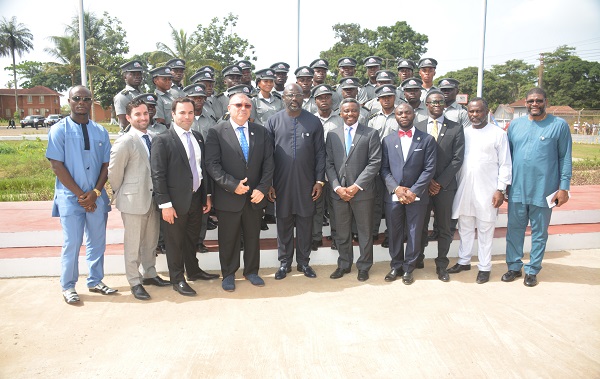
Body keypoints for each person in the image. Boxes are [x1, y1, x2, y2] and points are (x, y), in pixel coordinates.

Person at [46, 85, 117, 304]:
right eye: (77, 98)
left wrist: (95, 193)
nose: (81, 102)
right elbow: (57, 165)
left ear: (90, 102)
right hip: (71, 198)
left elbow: (107, 165)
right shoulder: (59, 130)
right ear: (69, 101)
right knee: (72, 243)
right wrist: (81, 195)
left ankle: (95, 280)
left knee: (97, 241)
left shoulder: (100, 131)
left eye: (86, 99)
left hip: (96, 198)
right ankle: (68, 286)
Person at [503, 87, 572, 287]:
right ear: (525, 103)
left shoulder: (559, 125)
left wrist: (564, 187)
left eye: (539, 100)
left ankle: (533, 270)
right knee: (514, 230)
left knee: (539, 232)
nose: (535, 104)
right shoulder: (515, 125)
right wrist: (504, 185)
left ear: (546, 102)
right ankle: (514, 267)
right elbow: (506, 158)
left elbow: (564, 158)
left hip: (545, 190)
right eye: (531, 101)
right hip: (517, 189)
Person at [205, 93, 274, 292]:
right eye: (238, 105)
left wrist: (262, 188)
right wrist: (232, 185)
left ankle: (251, 271)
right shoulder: (216, 132)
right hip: (228, 197)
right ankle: (228, 274)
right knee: (228, 239)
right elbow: (212, 164)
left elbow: (269, 163)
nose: (242, 108)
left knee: (253, 236)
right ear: (229, 108)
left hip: (255, 197)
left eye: (247, 105)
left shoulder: (261, 132)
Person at [151, 98, 219, 297]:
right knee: (174, 242)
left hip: (196, 199)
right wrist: (165, 204)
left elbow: (200, 169)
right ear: (173, 114)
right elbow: (158, 174)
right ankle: (177, 278)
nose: (187, 117)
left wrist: (206, 195)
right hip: (174, 202)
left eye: (190, 113)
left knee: (192, 238)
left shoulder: (197, 137)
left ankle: (194, 271)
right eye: (182, 113)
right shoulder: (162, 139)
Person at [108, 99, 171, 300]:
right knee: (133, 243)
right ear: (128, 117)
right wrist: (123, 193)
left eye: (145, 113)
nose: (143, 117)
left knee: (150, 241)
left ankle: (150, 274)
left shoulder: (154, 137)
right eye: (138, 114)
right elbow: (114, 172)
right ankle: (134, 281)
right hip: (134, 200)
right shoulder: (125, 141)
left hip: (154, 199)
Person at [449, 98, 512, 284]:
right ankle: (464, 260)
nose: (474, 115)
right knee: (465, 227)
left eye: (478, 111)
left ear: (486, 112)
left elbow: (506, 164)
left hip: (488, 191)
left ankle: (484, 267)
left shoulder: (498, 134)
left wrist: (501, 189)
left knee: (485, 229)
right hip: (465, 188)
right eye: (471, 111)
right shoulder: (463, 133)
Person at [267, 83, 326, 279]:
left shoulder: (314, 122)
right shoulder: (273, 121)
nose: (294, 98)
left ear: (304, 97)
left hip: (306, 183)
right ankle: (284, 263)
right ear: (283, 97)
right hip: (281, 182)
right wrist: (268, 183)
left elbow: (320, 154)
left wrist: (319, 181)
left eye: (298, 95)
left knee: (305, 223)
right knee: (283, 222)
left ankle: (303, 263)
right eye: (290, 95)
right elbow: (267, 156)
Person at [326, 98, 382, 281]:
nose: (350, 114)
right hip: (339, 193)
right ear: (340, 113)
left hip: (362, 192)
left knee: (365, 232)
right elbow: (329, 163)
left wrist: (356, 186)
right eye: (346, 111)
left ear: (359, 112)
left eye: (353, 111)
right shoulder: (332, 135)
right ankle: (344, 264)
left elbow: (375, 162)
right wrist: (336, 187)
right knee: (342, 232)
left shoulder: (371, 134)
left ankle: (364, 266)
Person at [381, 103, 437, 284]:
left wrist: (413, 191)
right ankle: (396, 265)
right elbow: (384, 169)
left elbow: (429, 169)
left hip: (417, 195)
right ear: (395, 117)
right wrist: (397, 189)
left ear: (414, 115)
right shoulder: (388, 140)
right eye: (400, 113)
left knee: (414, 232)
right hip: (394, 195)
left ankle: (408, 268)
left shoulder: (427, 139)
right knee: (394, 231)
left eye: (407, 112)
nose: (403, 115)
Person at [415, 90, 464, 281]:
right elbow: (413, 158)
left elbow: (457, 159)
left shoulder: (455, 128)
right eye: (432, 101)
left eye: (440, 102)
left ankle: (442, 264)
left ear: (445, 105)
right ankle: (418, 257)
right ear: (426, 104)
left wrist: (439, 182)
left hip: (445, 187)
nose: (436, 104)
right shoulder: (417, 126)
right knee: (419, 225)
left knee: (444, 227)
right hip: (422, 186)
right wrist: (425, 182)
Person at [312, 84, 344, 251]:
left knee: (335, 206)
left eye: (327, 97)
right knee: (316, 205)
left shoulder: (340, 119)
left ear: (332, 99)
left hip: (336, 170)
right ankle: (315, 236)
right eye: (320, 97)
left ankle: (337, 237)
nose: (324, 100)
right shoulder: (310, 120)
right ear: (315, 101)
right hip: (315, 169)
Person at [114, 60, 144, 133]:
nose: (137, 77)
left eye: (139, 74)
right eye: (133, 74)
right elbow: (124, 124)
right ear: (125, 77)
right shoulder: (122, 96)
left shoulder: (142, 94)